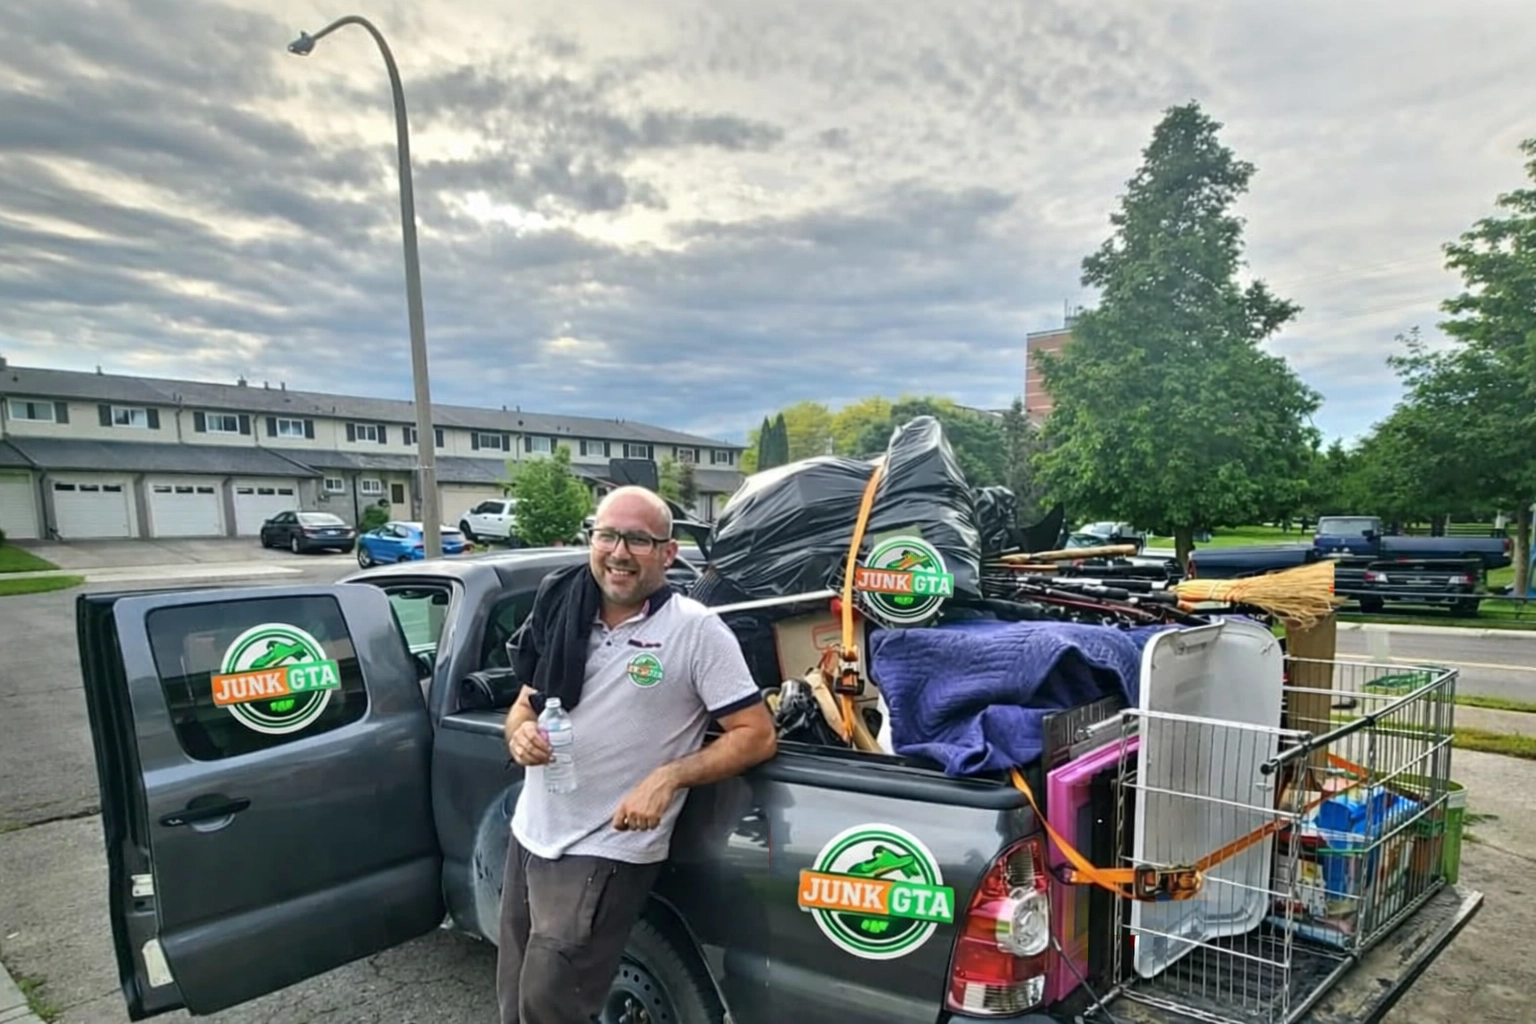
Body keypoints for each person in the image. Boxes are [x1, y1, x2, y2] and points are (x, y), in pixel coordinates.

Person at [497, 485, 778, 1024]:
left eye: (638, 540)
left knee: (548, 1007)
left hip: (607, 848)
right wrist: (519, 733)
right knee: (515, 1003)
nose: (619, 552)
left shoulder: (694, 630)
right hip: (532, 834)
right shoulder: (564, 610)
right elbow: (523, 705)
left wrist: (669, 776)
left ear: (668, 554)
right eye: (607, 535)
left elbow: (756, 733)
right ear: (591, 539)